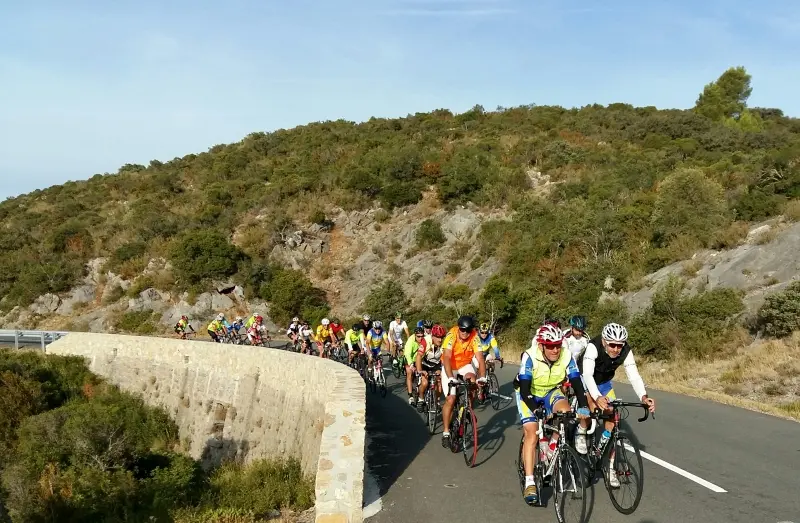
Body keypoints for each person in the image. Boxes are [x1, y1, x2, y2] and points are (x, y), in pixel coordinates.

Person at [514, 323, 590, 505]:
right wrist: (535, 409)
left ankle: (554, 443)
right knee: (532, 431)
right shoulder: (530, 356)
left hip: (551, 391)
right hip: (529, 393)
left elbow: (576, 382)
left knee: (566, 413)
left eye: (558, 345)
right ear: (541, 345)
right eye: (550, 346)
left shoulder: (566, 355)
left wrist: (584, 405)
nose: (555, 349)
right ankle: (530, 482)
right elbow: (524, 389)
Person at [578, 322, 656, 485]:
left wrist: (643, 397)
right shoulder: (594, 346)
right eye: (612, 345)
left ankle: (610, 466)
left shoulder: (625, 351)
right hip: (584, 379)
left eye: (619, 346)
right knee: (591, 408)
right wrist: (597, 397)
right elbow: (587, 374)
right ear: (605, 341)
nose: (615, 349)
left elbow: (633, 376)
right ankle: (582, 428)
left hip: (605, 383)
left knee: (613, 417)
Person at [440, 315, 486, 449]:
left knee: (473, 381)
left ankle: (467, 409)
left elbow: (480, 358)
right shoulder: (451, 334)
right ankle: (446, 432)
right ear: (458, 328)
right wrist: (450, 377)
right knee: (451, 399)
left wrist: (482, 377)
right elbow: (447, 357)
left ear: (471, 330)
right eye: (462, 330)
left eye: (467, 330)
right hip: (450, 367)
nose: (464, 333)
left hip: (464, 365)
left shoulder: (475, 337)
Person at [415, 323, 445, 407]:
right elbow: (418, 357)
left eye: (442, 337)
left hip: (436, 364)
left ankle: (437, 401)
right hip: (425, 364)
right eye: (438, 337)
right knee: (424, 383)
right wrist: (420, 370)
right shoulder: (425, 341)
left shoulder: (444, 343)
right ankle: (421, 398)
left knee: (439, 383)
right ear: (432, 336)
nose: (440, 340)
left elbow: (446, 358)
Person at [403, 326, 427, 406]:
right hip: (409, 359)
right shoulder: (410, 340)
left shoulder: (424, 340)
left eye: (422, 336)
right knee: (409, 372)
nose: (420, 338)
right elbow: (407, 353)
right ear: (415, 335)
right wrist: (411, 364)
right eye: (418, 336)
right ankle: (410, 396)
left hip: (419, 359)